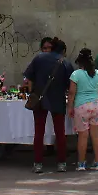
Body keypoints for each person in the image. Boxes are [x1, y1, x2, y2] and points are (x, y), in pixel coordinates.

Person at [23, 37, 72, 174]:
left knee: (39, 132)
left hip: (40, 97)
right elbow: (70, 84)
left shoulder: (38, 58)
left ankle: (38, 163)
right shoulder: (65, 62)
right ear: (62, 50)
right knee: (60, 132)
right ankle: (61, 163)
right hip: (58, 99)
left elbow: (28, 77)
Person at [68, 48, 98, 172]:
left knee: (83, 136)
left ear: (79, 62)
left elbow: (71, 93)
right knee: (96, 135)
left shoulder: (76, 74)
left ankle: (81, 163)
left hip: (81, 106)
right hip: (95, 105)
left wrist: (70, 107)